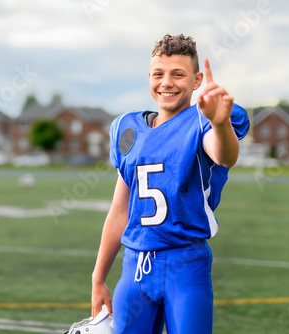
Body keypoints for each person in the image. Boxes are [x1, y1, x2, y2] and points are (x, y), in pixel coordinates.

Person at [91, 34, 249, 334]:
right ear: (149, 77)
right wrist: (99, 277)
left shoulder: (202, 121)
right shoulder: (128, 129)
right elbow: (119, 211)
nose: (167, 83)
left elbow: (224, 156)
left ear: (197, 79)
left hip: (185, 265)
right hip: (134, 267)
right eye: (159, 74)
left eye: (178, 74)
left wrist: (219, 122)